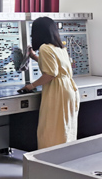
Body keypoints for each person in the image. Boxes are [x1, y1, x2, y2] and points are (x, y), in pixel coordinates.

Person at [18, 17, 79, 149]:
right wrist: (33, 56)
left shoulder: (44, 48)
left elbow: (50, 74)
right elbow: (53, 65)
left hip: (57, 92)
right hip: (69, 89)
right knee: (64, 128)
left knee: (51, 129)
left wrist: (31, 86)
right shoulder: (60, 48)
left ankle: (48, 159)